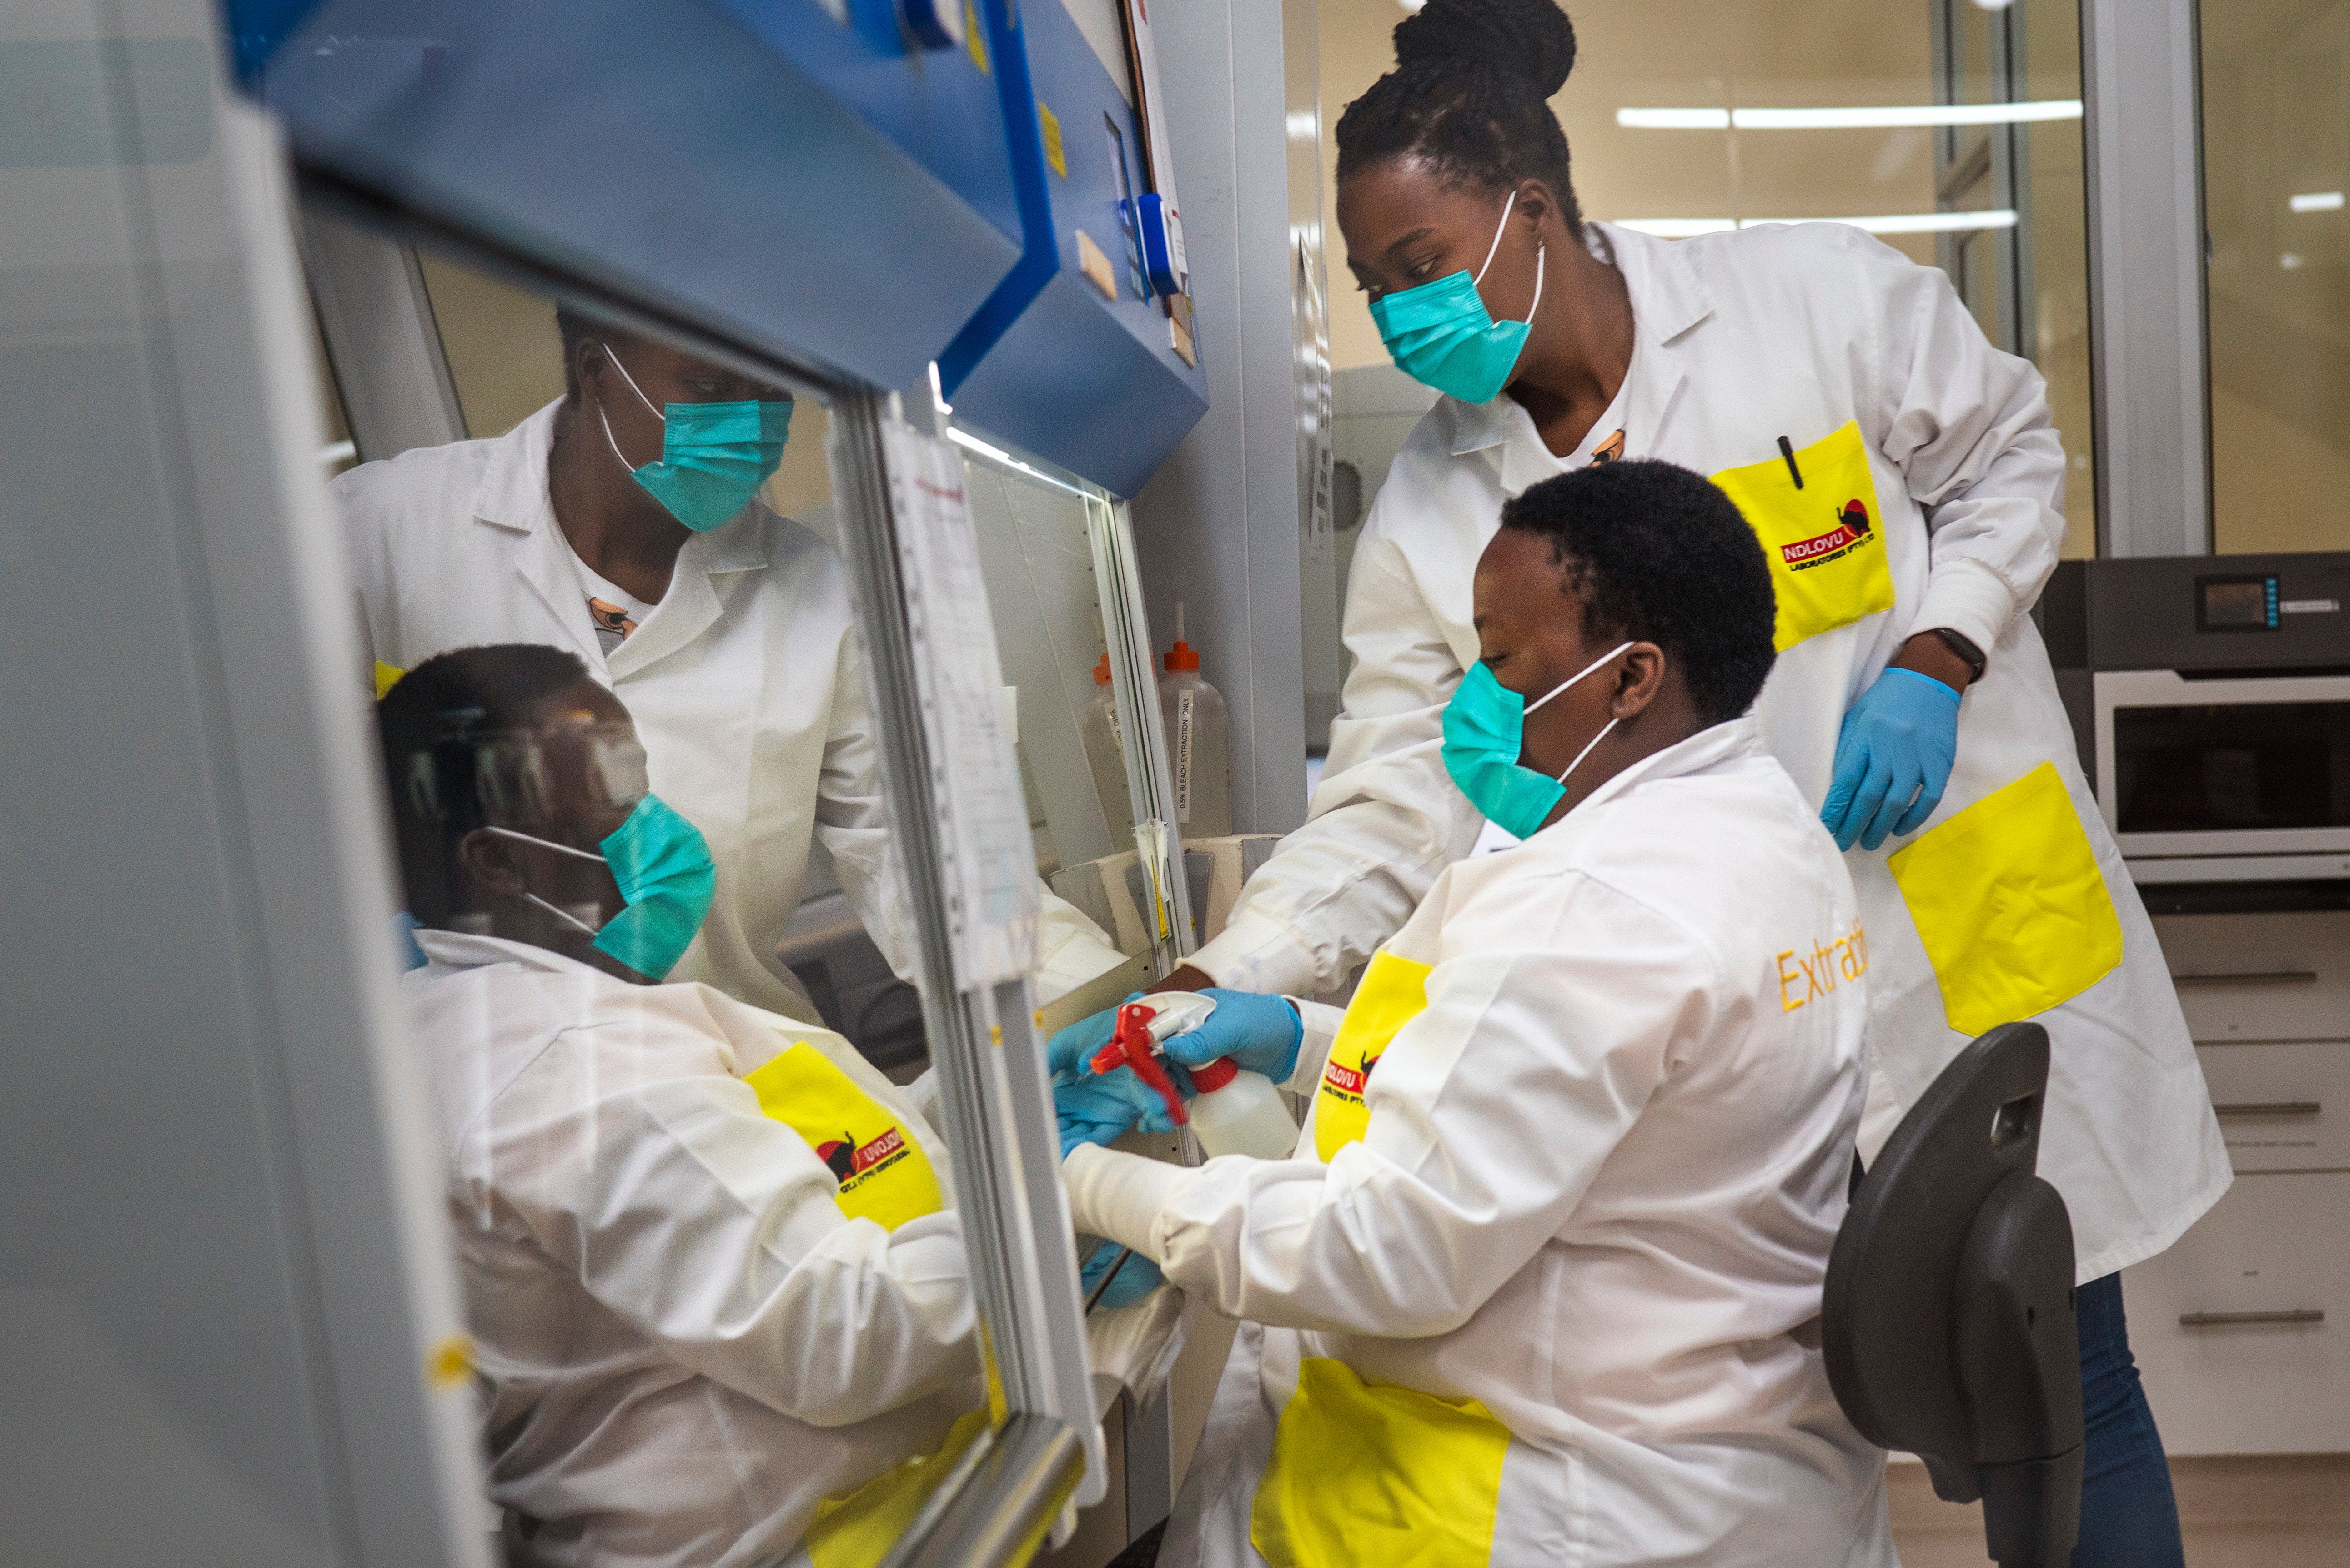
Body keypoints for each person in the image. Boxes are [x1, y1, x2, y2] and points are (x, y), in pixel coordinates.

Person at [1052, 4, 2224, 1559]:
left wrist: (1934, 655)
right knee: (1787, 1375)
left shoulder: (1803, 300)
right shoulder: (1433, 492)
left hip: (1958, 928)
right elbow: (1399, 787)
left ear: (1530, 214)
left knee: (2058, 1376)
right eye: (1369, 283)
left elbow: (2009, 454)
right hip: (1719, 1006)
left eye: (1420, 263)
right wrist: (1223, 973)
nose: (1398, 314)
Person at [1060, 462, 1894, 1568]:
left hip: (1564, 1495)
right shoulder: (1756, 821)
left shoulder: (1594, 901)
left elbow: (1382, 1254)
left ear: (1631, 677)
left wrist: (1076, 1183)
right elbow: (1583, 1089)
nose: (1473, 698)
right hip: (1721, 1445)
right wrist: (1295, 1035)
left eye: (1497, 661)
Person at [379, 643, 989, 1568]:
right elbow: (845, 1333)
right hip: (801, 1540)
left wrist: (973, 1116)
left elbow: (758, 1178)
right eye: (613, 796)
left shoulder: (451, 1018)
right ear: (499, 862)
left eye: (642, 776)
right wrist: (1047, 1194)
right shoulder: (582, 1068)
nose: (657, 823)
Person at [339, 313, 1123, 1018]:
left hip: (733, 1071)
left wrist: (1113, 1005)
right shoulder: (382, 530)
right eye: (710, 385)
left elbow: (925, 864)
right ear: (593, 366)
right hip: (472, 1091)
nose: (745, 424)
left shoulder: (822, 595)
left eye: (771, 392)